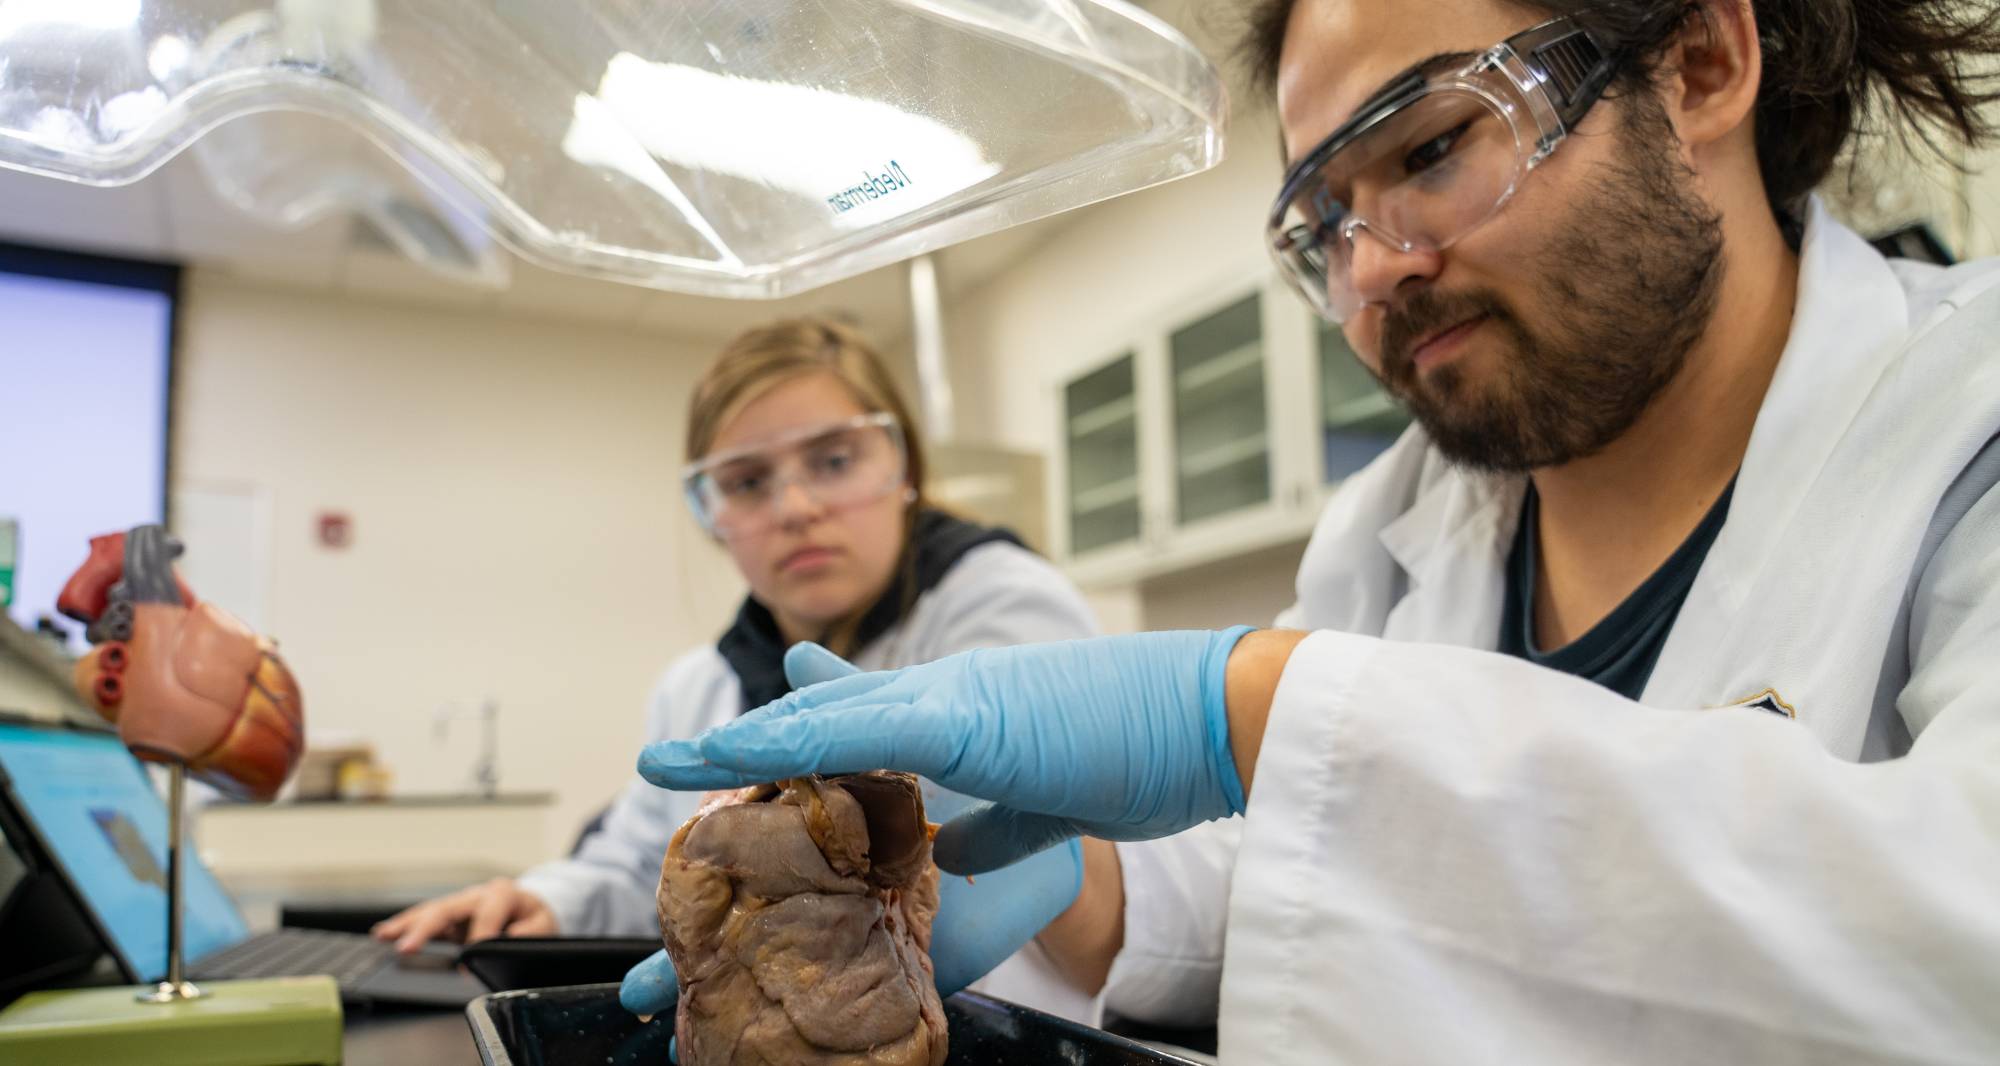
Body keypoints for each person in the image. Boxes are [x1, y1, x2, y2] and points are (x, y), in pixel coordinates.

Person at [633, 0, 2000, 1061]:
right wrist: (1082, 883)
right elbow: (1311, 876)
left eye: (1433, 146)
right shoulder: (1397, 522)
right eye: (1324, 223)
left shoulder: (1968, 415)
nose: (1374, 272)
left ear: (1701, 60)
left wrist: (1253, 711)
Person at [373, 317, 1105, 1021]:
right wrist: (543, 903)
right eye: (748, 481)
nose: (795, 507)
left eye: (836, 459)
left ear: (903, 466)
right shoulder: (702, 684)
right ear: (710, 513)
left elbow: (1113, 896)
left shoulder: (1000, 610)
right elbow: (639, 863)